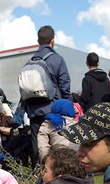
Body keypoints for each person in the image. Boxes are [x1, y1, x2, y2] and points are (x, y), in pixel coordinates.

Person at [23, 25, 72, 166]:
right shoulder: (57, 60)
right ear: (53, 41)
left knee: (37, 145)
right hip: (54, 111)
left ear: (38, 41)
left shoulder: (30, 61)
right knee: (57, 143)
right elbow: (65, 86)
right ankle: (59, 172)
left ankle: (39, 173)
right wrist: (68, 109)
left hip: (34, 111)